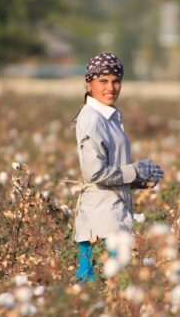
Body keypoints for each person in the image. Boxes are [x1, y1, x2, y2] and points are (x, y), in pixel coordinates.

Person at [68, 52, 164, 283]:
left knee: (106, 286)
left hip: (111, 212)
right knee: (100, 285)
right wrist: (136, 171)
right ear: (88, 84)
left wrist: (140, 179)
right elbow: (95, 173)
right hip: (100, 219)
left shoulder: (109, 116)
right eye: (103, 81)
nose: (110, 87)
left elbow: (111, 167)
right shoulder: (92, 118)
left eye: (115, 81)